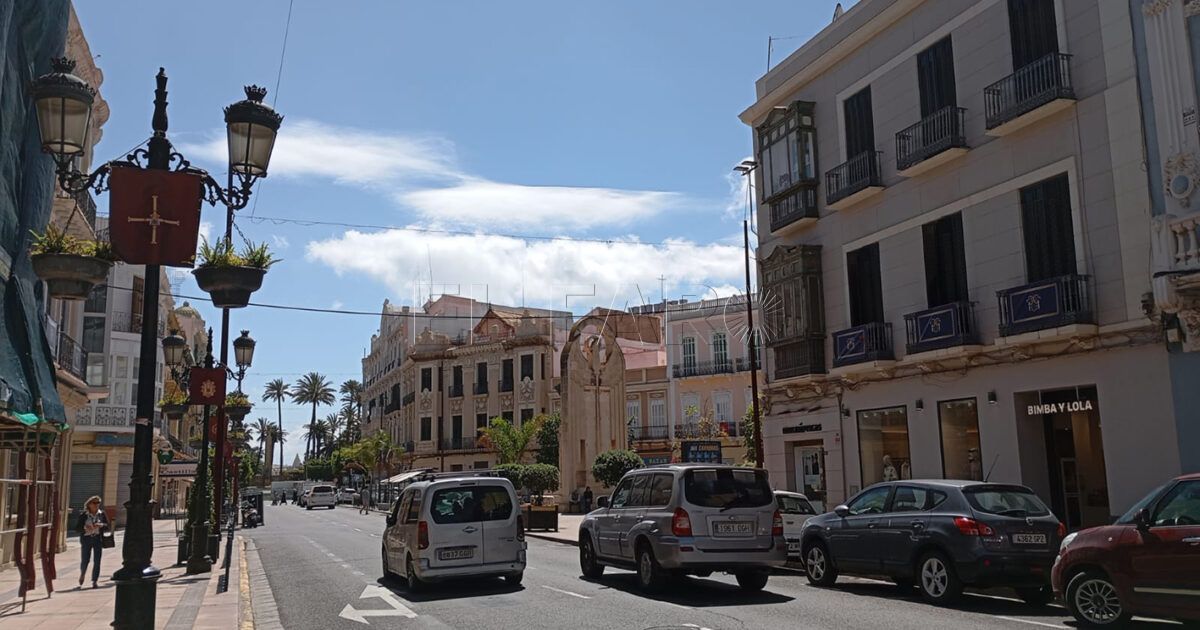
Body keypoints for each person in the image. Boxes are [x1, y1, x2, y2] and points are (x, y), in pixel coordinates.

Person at [75, 496, 109, 589]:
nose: (96, 505)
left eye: (98, 503)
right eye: (94, 503)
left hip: (97, 539)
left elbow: (107, 525)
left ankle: (94, 581)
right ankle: (82, 574)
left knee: (97, 560)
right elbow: (77, 528)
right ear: (89, 504)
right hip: (86, 539)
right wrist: (85, 528)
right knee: (85, 560)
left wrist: (101, 525)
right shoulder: (84, 515)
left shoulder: (101, 514)